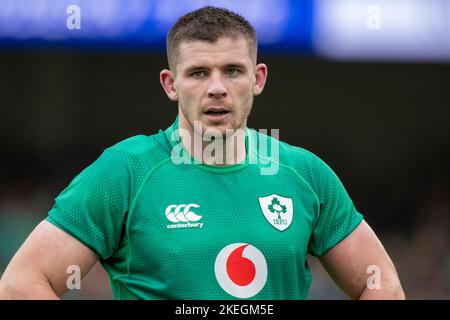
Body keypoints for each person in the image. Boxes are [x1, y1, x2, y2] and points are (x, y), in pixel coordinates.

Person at [0, 6, 404, 300]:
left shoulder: (304, 173)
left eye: (232, 70)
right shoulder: (124, 172)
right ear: (170, 84)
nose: (216, 88)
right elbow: (22, 282)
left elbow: (379, 282)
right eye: (198, 73)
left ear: (257, 78)